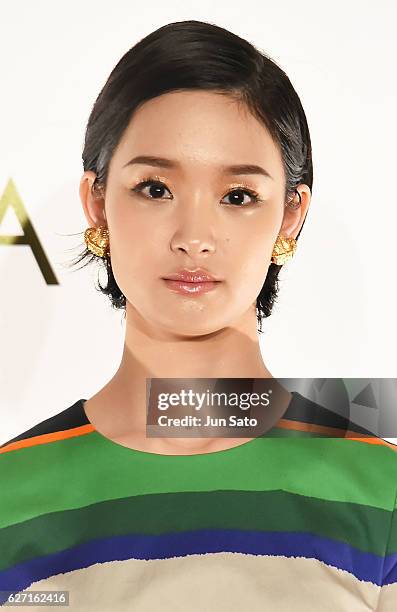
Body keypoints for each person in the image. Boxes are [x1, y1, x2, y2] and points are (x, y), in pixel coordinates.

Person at [1, 19, 396, 611]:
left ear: (289, 218)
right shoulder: (13, 496)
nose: (194, 237)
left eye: (238, 196)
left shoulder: (380, 493)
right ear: (98, 204)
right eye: (155, 188)